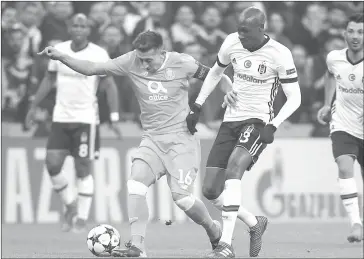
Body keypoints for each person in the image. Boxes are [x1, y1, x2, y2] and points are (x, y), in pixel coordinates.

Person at [38, 30, 234, 257]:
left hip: (181, 141)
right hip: (151, 139)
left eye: (148, 60)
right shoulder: (130, 61)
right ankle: (138, 247)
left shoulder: (183, 63)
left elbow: (216, 75)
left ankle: (213, 229)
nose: (144, 65)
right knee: (136, 184)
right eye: (140, 59)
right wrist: (62, 57)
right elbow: (92, 68)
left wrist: (230, 90)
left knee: (181, 198)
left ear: (162, 52)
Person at [186, 7, 302, 258]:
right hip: (231, 120)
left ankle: (225, 245)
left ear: (262, 29)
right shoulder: (231, 42)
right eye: (239, 30)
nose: (241, 36)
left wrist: (274, 124)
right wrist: (197, 104)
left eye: (246, 32)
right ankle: (254, 223)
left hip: (259, 121)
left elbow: (295, 97)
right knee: (210, 191)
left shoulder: (280, 54)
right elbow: (217, 72)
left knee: (234, 169)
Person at [26, 14, 119, 233]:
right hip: (61, 117)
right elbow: (49, 80)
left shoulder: (99, 53)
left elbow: (109, 85)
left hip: (86, 118)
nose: (78, 28)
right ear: (69, 28)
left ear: (89, 30)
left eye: (83, 25)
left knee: (82, 168)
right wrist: (33, 106)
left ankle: (81, 219)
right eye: (75, 25)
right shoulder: (59, 50)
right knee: (52, 164)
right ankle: (70, 203)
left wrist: (114, 116)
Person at [317, 13, 363, 243]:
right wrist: (327, 103)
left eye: (361, 32)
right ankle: (356, 223)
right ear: (345, 33)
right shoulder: (334, 57)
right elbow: (329, 75)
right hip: (343, 123)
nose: (355, 37)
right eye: (352, 31)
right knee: (345, 167)